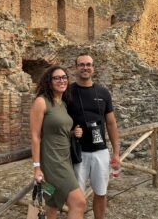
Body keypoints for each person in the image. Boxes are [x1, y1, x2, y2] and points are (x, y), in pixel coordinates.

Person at [67, 53, 120, 219]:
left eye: (88, 64)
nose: (85, 67)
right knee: (77, 198)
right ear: (76, 68)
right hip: (77, 153)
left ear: (93, 68)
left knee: (101, 193)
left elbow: (111, 123)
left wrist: (116, 153)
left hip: (100, 151)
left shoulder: (103, 92)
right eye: (81, 64)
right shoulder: (67, 92)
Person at [30, 65, 86, 219]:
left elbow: (58, 130)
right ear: (49, 81)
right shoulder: (41, 102)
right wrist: (36, 167)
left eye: (64, 77)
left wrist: (73, 133)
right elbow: (35, 136)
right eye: (57, 78)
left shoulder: (63, 104)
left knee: (52, 202)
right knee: (79, 202)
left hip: (65, 158)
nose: (61, 80)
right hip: (52, 162)